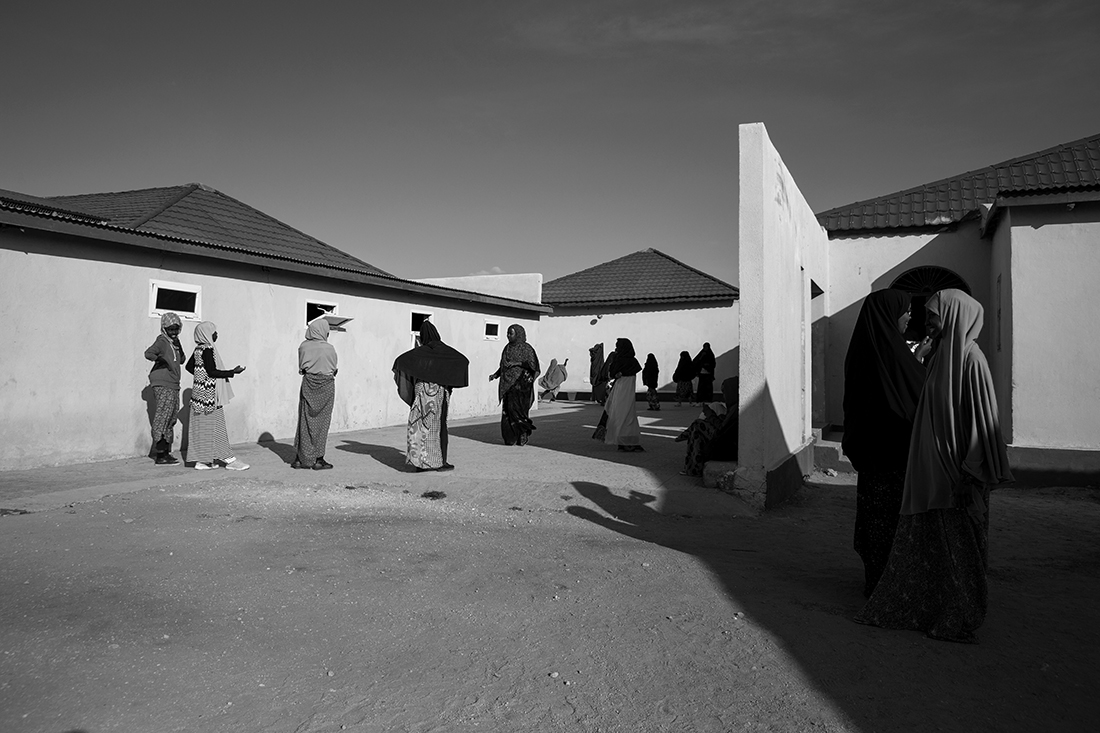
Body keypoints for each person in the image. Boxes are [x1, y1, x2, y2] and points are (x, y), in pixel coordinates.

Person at [856, 289, 1013, 644]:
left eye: (933, 316)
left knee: (961, 551)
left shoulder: (973, 362)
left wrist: (970, 474)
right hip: (932, 475)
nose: (926, 323)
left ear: (955, 316)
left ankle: (958, 619)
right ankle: (934, 610)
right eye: (926, 316)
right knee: (937, 549)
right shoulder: (943, 357)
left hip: (957, 478)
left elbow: (983, 426)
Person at [842, 289, 926, 597]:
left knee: (875, 523)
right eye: (905, 313)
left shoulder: (863, 348)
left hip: (871, 455)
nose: (908, 319)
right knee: (894, 523)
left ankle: (875, 583)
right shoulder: (893, 351)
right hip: (895, 456)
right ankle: (893, 589)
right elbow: (916, 392)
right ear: (891, 315)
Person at [393, 320, 469, 472]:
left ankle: (420, 463)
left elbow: (401, 361)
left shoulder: (420, 353)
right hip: (439, 393)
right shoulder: (445, 351)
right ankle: (441, 462)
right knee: (439, 427)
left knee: (420, 426)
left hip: (421, 391)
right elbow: (463, 360)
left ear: (422, 336)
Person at [184, 322, 248, 471]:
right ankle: (229, 460)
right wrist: (232, 372)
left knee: (204, 426)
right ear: (207, 333)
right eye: (214, 332)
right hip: (209, 395)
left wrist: (200, 376)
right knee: (217, 426)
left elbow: (189, 367)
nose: (216, 335)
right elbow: (212, 372)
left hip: (198, 394)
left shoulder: (198, 349)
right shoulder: (207, 349)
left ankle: (202, 461)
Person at [292, 318, 338, 470]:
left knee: (304, 420)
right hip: (326, 386)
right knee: (322, 423)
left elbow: (302, 369)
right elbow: (333, 369)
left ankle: (300, 459)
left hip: (308, 384)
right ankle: (318, 459)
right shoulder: (329, 348)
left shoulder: (303, 347)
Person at [144, 312, 185, 466]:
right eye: (171, 329)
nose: (174, 332)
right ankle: (160, 454)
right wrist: (160, 360)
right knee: (163, 416)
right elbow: (148, 353)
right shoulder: (161, 341)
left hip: (173, 383)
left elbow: (181, 360)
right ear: (164, 328)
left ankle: (166, 452)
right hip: (163, 383)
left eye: (177, 329)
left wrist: (177, 343)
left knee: (171, 417)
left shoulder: (174, 342)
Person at [490, 324, 540, 445]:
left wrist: (517, 363)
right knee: (508, 412)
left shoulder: (527, 349)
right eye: (507, 333)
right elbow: (504, 366)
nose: (508, 336)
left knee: (518, 412)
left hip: (521, 386)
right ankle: (510, 438)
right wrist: (496, 375)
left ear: (518, 334)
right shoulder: (507, 348)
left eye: (510, 333)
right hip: (508, 386)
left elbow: (533, 366)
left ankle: (522, 434)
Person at [676, 377, 739, 476]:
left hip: (727, 449)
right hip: (730, 446)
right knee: (698, 429)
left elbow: (722, 430)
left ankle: (693, 468)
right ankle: (687, 435)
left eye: (725, 393)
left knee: (698, 426)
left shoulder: (736, 410)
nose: (724, 397)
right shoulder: (735, 408)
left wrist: (710, 415)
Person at [603, 338, 643, 452]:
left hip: (621, 390)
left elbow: (612, 373)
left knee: (620, 414)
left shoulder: (619, 360)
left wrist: (617, 374)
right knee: (627, 414)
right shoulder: (632, 361)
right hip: (627, 391)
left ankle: (623, 439)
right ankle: (627, 440)